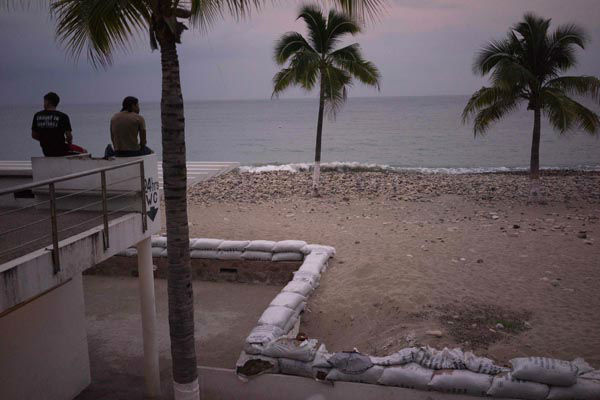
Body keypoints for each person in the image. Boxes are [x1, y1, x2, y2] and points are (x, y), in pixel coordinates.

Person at [31, 92, 86, 157]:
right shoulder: (63, 116)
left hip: (46, 151)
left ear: (48, 102)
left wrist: (45, 140)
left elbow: (34, 135)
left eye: (44, 101)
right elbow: (69, 136)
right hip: (61, 150)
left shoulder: (37, 115)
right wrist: (69, 144)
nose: (43, 103)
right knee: (84, 151)